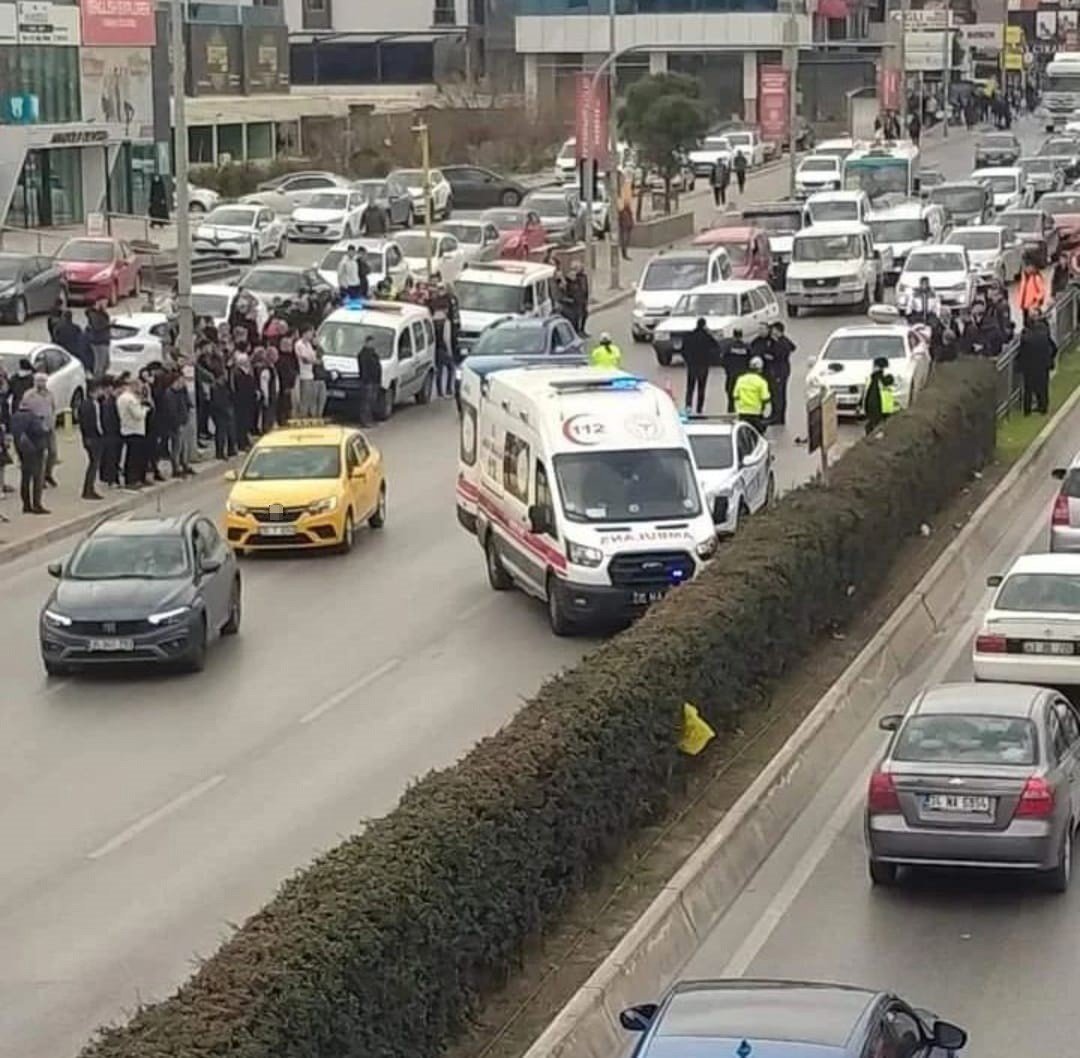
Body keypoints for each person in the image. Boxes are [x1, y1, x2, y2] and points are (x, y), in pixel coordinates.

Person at [10, 395, 49, 514]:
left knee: (25, 478)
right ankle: (37, 504)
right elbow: (40, 431)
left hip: (22, 451)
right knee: (37, 478)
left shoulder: (14, 417)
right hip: (35, 451)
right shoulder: (32, 417)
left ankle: (26, 505)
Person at [1017, 308, 1057, 415]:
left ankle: (1027, 410)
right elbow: (1053, 347)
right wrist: (1050, 358)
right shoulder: (1044, 332)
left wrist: (1020, 365)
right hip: (1043, 364)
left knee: (1028, 389)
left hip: (1029, 366)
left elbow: (1022, 352)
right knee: (1043, 387)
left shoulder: (1025, 336)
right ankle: (1043, 407)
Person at [21, 372, 57, 487]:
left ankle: (48, 474)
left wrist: (53, 421)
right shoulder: (29, 395)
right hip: (36, 429)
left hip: (49, 427)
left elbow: (53, 408)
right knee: (40, 456)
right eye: (39, 381)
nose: (41, 383)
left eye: (43, 381)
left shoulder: (50, 394)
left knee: (53, 453)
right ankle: (39, 478)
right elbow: (23, 411)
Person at [117, 376, 149, 487]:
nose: (140, 389)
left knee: (131, 456)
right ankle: (132, 480)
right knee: (134, 458)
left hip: (127, 429)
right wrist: (145, 409)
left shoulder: (122, 398)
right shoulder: (130, 399)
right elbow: (138, 415)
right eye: (139, 386)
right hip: (134, 430)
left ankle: (132, 479)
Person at [681, 318, 718, 415]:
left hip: (692, 365)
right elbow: (716, 348)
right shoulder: (707, 337)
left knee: (690, 387)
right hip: (703, 366)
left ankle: (688, 407)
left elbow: (683, 350)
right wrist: (710, 360)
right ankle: (699, 409)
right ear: (705, 325)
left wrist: (688, 361)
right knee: (701, 388)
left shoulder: (689, 336)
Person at [77, 379, 106, 500]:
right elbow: (86, 423)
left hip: (97, 436)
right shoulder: (87, 405)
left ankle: (90, 488)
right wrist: (88, 437)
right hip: (92, 438)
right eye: (100, 390)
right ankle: (88, 489)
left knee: (95, 463)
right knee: (94, 464)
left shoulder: (96, 403)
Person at [165, 368, 195, 477]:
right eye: (181, 381)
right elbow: (172, 411)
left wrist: (189, 409)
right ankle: (176, 468)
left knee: (184, 446)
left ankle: (185, 465)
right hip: (175, 424)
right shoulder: (169, 393)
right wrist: (178, 424)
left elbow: (187, 402)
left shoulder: (182, 391)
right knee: (176, 447)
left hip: (184, 420)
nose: (183, 383)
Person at [766, 321, 795, 427]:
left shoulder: (781, 343)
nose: (771, 332)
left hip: (780, 371)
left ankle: (778, 417)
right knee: (776, 393)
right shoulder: (782, 340)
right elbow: (793, 347)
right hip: (781, 370)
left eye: (773, 330)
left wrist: (770, 356)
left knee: (779, 395)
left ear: (778, 331)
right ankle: (776, 415)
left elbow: (779, 354)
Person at [732, 355, 770, 434]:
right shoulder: (761, 381)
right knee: (758, 433)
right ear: (760, 369)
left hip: (742, 412)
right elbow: (765, 398)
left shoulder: (740, 379)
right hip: (756, 413)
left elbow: (735, 395)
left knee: (742, 434)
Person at [862, 356, 896, 434]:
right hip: (880, 409)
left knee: (876, 428)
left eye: (874, 366)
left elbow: (870, 395)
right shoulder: (873, 378)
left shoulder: (881, 379)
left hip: (880, 409)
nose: (872, 368)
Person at [719, 327, 750, 412]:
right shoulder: (746, 347)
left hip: (731, 374)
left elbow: (723, 360)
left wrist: (727, 369)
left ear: (733, 336)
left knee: (730, 392)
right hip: (743, 375)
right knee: (743, 394)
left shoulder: (728, 347)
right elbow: (750, 359)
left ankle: (731, 410)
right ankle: (742, 410)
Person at [209, 367, 237, 460]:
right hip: (219, 413)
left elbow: (230, 395)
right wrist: (225, 410)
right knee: (221, 433)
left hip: (227, 410)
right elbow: (216, 402)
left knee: (230, 431)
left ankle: (230, 449)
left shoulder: (225, 385)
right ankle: (220, 452)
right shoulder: (215, 387)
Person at [100, 376, 122, 487]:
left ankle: (109, 477)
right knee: (112, 457)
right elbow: (109, 419)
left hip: (113, 434)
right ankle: (111, 479)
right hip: (111, 434)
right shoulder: (109, 403)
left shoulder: (111, 401)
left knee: (113, 457)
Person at [356, 335, 383, 426]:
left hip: (374, 381)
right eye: (370, 342)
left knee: (372, 402)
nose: (372, 344)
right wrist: (366, 380)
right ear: (366, 342)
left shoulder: (373, 353)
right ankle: (365, 421)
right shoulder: (363, 354)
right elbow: (364, 368)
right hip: (368, 382)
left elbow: (377, 366)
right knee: (366, 402)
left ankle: (371, 419)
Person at [295, 326, 319, 417]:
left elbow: (314, 356)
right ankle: (302, 415)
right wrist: (314, 361)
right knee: (304, 398)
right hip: (303, 374)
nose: (312, 335)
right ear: (305, 333)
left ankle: (309, 414)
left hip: (310, 374)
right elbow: (305, 359)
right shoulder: (299, 344)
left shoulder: (309, 345)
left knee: (310, 397)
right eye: (310, 333)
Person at [86, 299, 112, 380]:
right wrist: (108, 325)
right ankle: (97, 381)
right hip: (99, 342)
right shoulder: (94, 314)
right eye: (104, 303)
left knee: (106, 363)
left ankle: (101, 378)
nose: (106, 305)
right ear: (98, 303)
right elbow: (97, 327)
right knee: (100, 364)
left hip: (104, 340)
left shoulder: (101, 313)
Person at [569, 264, 590, 337]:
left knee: (585, 314)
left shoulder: (584, 277)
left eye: (580, 267)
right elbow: (570, 290)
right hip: (576, 301)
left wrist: (586, 299)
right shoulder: (572, 279)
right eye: (578, 268)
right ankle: (577, 331)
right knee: (577, 316)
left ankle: (582, 330)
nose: (580, 269)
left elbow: (585, 288)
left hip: (583, 299)